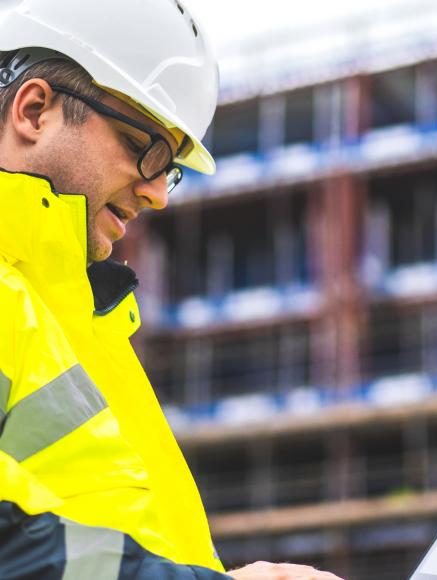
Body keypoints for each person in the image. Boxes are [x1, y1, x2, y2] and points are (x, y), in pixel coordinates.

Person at [0, 1, 345, 579]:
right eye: (148, 149)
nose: (159, 193)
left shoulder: (76, 324)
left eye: (172, 168)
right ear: (35, 111)